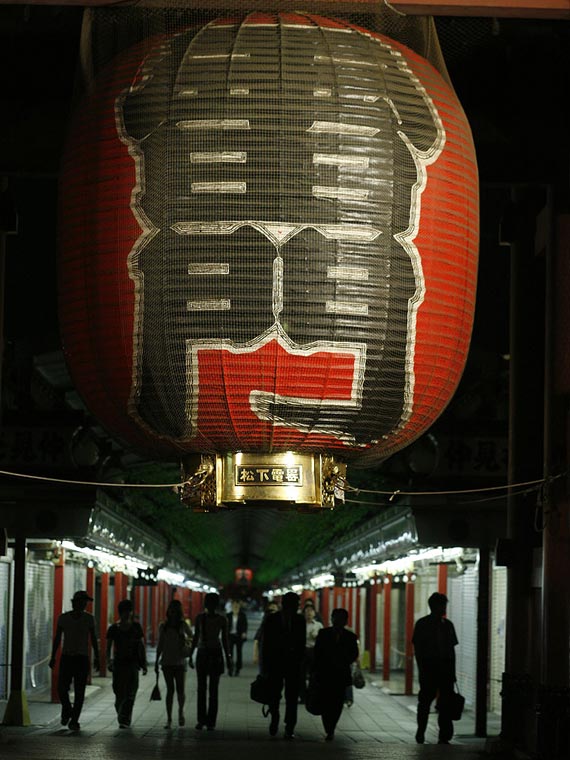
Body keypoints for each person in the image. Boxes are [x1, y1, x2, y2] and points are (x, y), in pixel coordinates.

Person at [49, 589, 100, 731]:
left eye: (86, 602)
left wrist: (96, 657)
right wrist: (53, 656)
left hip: (82, 658)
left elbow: (94, 639)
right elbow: (57, 638)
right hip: (67, 657)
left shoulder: (89, 619)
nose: (85, 604)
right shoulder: (63, 618)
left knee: (80, 691)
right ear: (75, 602)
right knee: (61, 688)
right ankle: (67, 709)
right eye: (83, 601)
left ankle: (74, 720)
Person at [412, 592, 459, 745]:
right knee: (425, 703)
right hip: (429, 670)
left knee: (444, 705)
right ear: (434, 606)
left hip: (444, 671)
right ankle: (421, 731)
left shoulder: (447, 625)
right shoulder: (423, 624)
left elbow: (451, 651)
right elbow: (418, 650)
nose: (444, 608)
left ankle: (444, 735)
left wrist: (452, 672)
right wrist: (422, 669)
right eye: (442, 605)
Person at [260, 591, 306, 738]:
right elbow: (265, 643)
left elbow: (301, 643)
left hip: (293, 664)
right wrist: (264, 666)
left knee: (292, 696)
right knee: (274, 694)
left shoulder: (300, 620)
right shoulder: (271, 619)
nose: (297, 606)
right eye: (295, 604)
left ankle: (290, 725)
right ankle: (275, 718)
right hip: (275, 663)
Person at [313, 608, 359, 741]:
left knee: (338, 702)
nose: (338, 621)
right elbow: (317, 653)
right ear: (332, 619)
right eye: (336, 618)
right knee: (326, 701)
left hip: (340, 674)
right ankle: (328, 726)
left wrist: (343, 660)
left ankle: (331, 726)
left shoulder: (351, 636)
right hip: (325, 674)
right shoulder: (323, 634)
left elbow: (354, 654)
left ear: (345, 621)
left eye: (341, 619)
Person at [189, 592, 231, 731]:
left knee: (202, 689)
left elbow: (196, 637)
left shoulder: (200, 618)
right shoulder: (222, 619)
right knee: (213, 690)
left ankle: (202, 720)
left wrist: (191, 655)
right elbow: (225, 640)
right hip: (215, 653)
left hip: (203, 652)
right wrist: (228, 658)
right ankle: (210, 721)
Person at [106, 598, 147, 728]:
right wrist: (109, 661)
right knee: (118, 692)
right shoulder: (114, 628)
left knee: (130, 693)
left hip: (133, 663)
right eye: (125, 611)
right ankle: (121, 712)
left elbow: (141, 645)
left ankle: (125, 719)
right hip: (119, 663)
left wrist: (144, 662)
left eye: (129, 611)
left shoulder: (136, 627)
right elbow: (108, 647)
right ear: (120, 613)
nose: (128, 614)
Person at [155, 598, 192, 729]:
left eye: (175, 611)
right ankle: (169, 718)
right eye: (171, 610)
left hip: (180, 661)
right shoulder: (163, 626)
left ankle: (180, 712)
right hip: (167, 661)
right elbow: (160, 644)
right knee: (170, 690)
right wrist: (156, 660)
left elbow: (193, 637)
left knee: (180, 690)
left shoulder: (183, 625)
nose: (173, 613)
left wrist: (186, 640)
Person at [299, 601, 323, 703]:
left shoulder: (318, 625)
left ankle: (313, 696)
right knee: (301, 675)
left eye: (311, 611)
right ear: (304, 612)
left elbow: (323, 639)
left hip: (314, 651)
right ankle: (303, 697)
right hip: (302, 651)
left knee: (314, 675)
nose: (309, 613)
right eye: (307, 611)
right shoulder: (299, 624)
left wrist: (317, 637)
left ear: (314, 613)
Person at [252, 599, 278, 671]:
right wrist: (255, 655)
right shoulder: (264, 627)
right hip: (264, 655)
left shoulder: (281, 626)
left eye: (274, 608)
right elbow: (256, 640)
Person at [226, 599, 247, 676]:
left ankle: (238, 668)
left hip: (239, 636)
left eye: (237, 606)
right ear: (232, 606)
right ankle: (230, 668)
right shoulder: (228, 615)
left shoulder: (242, 615)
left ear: (239, 606)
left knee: (239, 653)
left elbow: (245, 625)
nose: (235, 607)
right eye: (234, 605)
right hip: (230, 636)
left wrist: (244, 633)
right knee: (230, 653)